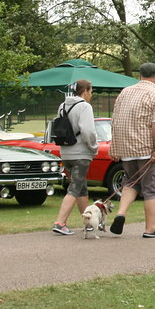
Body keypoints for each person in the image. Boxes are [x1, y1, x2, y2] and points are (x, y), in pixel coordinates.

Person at [108, 62, 155, 238]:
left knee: (130, 182)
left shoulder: (125, 92)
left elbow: (115, 120)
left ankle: (121, 213)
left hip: (126, 149)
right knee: (151, 188)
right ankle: (150, 228)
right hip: (146, 149)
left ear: (139, 75)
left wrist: (115, 147)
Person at [51, 80, 100, 235]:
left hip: (65, 152)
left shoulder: (63, 106)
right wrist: (94, 147)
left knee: (81, 187)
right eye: (91, 91)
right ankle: (60, 222)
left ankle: (88, 222)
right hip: (81, 153)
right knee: (74, 188)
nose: (91, 95)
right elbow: (88, 132)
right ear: (84, 91)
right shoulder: (85, 107)